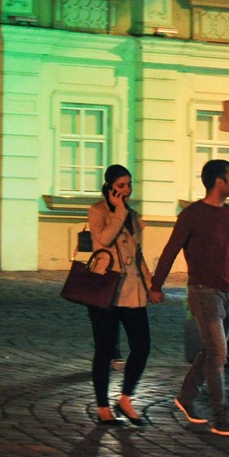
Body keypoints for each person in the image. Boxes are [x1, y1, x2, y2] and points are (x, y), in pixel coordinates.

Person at [147, 159, 229, 437]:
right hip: (203, 293)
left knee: (211, 351)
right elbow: (170, 250)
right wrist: (157, 285)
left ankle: (187, 398)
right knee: (219, 353)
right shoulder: (192, 215)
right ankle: (220, 416)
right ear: (219, 182)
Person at [84, 164, 151, 425]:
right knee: (105, 350)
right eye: (121, 186)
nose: (126, 190)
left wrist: (151, 285)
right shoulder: (98, 211)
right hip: (106, 290)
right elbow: (103, 238)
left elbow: (138, 254)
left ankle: (125, 398)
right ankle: (103, 406)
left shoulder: (132, 215)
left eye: (129, 185)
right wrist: (118, 212)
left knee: (142, 346)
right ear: (109, 187)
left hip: (132, 291)